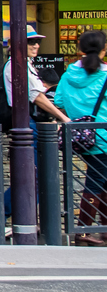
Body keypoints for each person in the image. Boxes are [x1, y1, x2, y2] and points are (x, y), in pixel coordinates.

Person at [54, 30, 107, 245]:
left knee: (101, 182)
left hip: (81, 137)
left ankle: (101, 229)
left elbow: (58, 101)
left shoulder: (68, 76)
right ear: (104, 50)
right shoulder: (104, 75)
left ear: (80, 50)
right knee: (95, 184)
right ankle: (83, 231)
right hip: (104, 137)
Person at [3, 26, 70, 128]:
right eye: (31, 42)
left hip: (28, 119)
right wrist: (63, 117)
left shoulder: (24, 64)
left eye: (38, 41)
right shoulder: (17, 65)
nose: (36, 46)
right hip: (25, 120)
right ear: (18, 43)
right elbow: (37, 96)